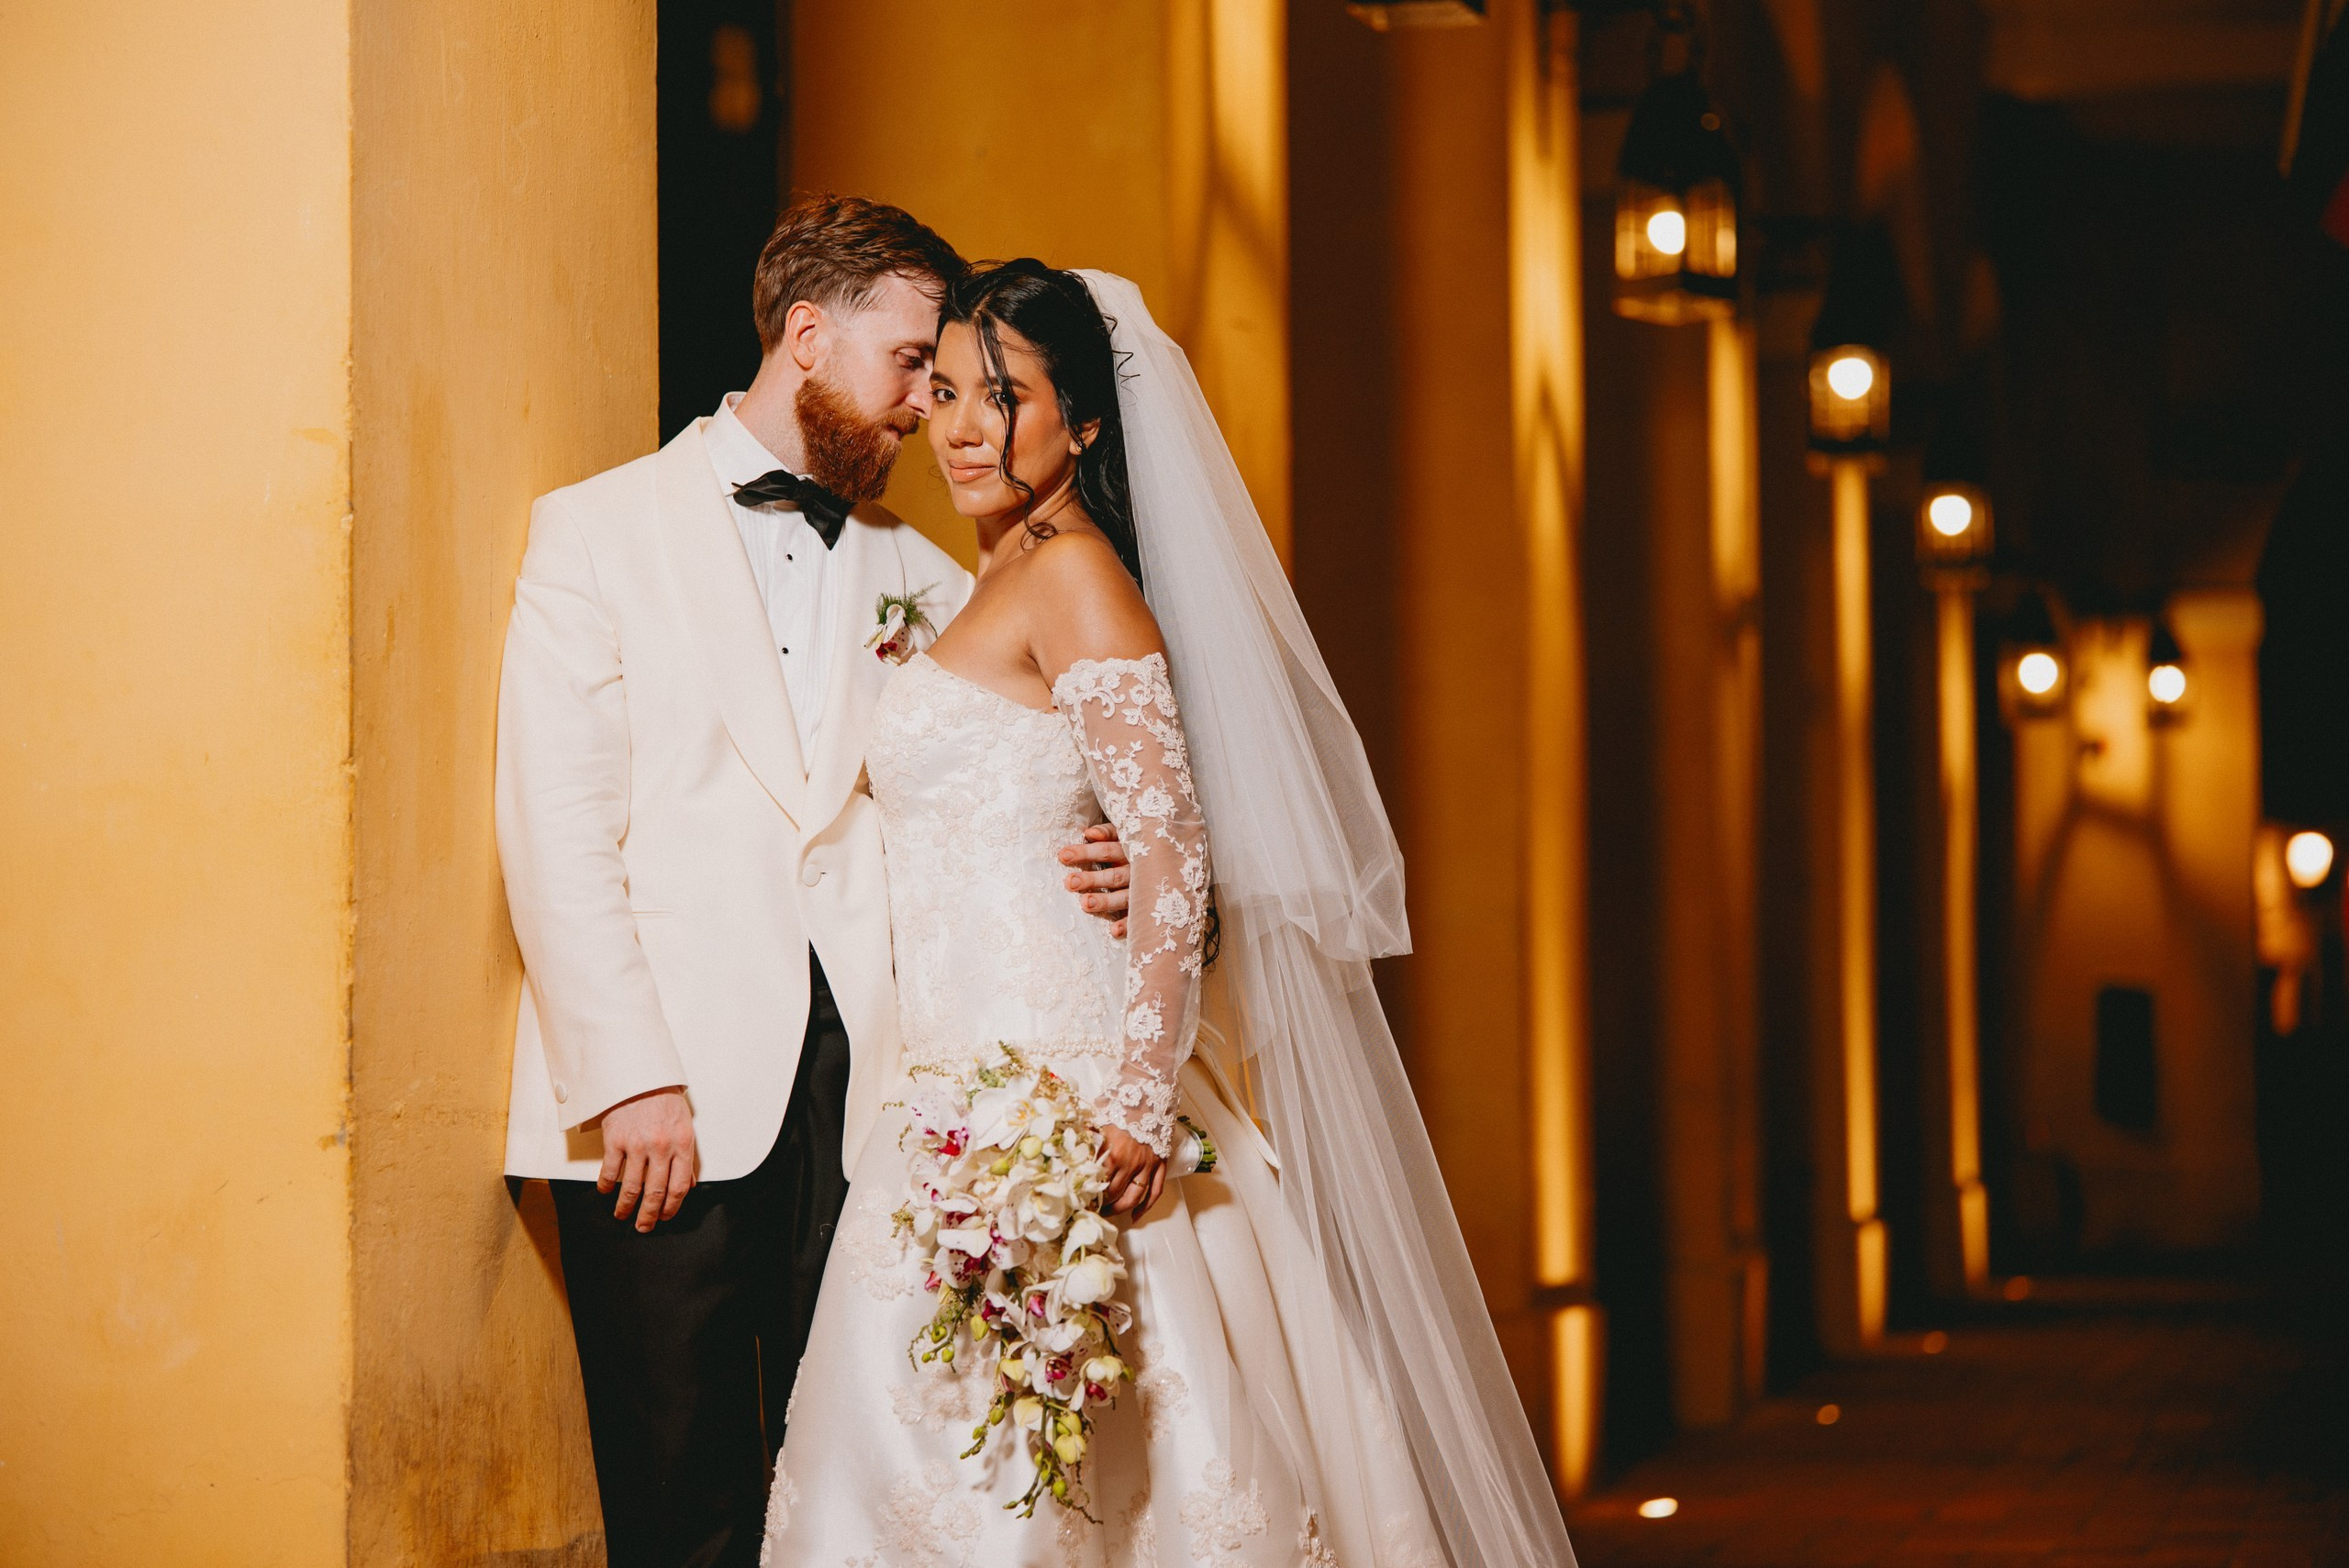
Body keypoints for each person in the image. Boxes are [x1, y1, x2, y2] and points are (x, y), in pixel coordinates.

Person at [762, 262, 1576, 1567]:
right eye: (952, 392)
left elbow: (1174, 853)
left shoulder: (1075, 574)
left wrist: (1136, 1103)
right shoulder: (982, 579)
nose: (964, 427)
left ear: (1081, 423)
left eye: (1005, 398)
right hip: (948, 1099)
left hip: (1065, 1111)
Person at [494, 196, 1132, 1568]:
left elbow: (1006, 773)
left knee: (835, 1490)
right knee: (681, 1492)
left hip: (876, 1100)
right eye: (914, 363)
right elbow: (557, 823)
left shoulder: (930, 572)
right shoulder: (594, 532)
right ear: (804, 336)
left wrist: (1116, 852)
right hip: (664, 1100)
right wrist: (625, 1073)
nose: (933, 405)